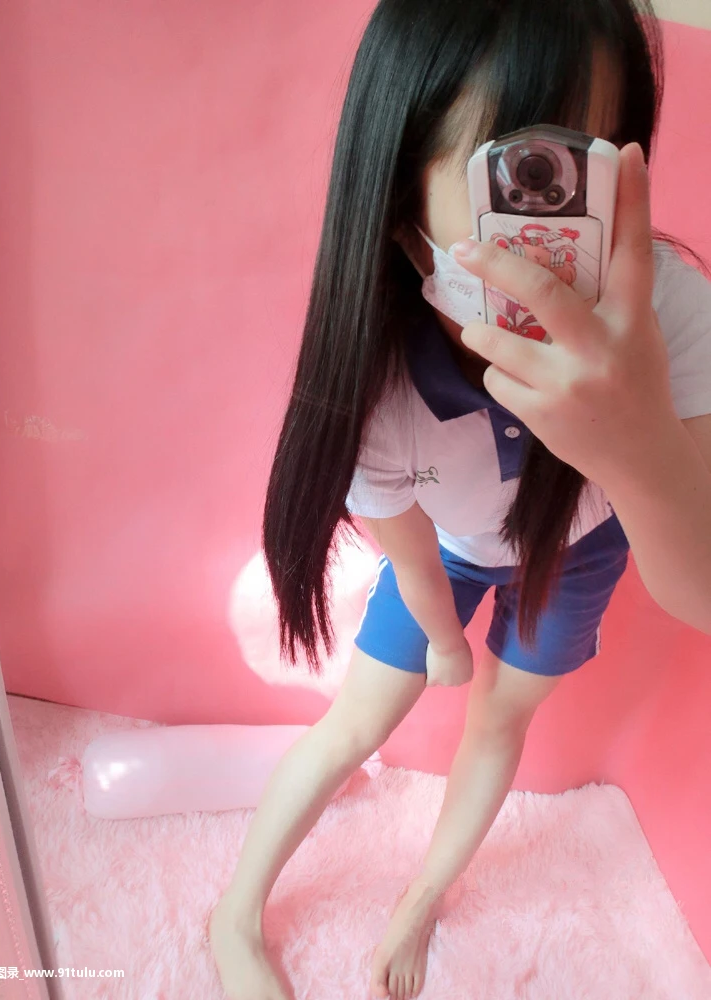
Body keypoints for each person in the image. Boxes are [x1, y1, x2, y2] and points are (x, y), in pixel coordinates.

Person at [209, 1, 711, 998]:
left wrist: (641, 446)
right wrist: (441, 637)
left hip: (581, 554)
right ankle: (233, 913)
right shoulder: (377, 379)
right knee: (357, 721)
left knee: (499, 722)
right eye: (517, 173)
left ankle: (423, 894)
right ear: (405, 213)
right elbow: (405, 546)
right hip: (448, 552)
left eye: (591, 165)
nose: (558, 222)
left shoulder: (670, 307)